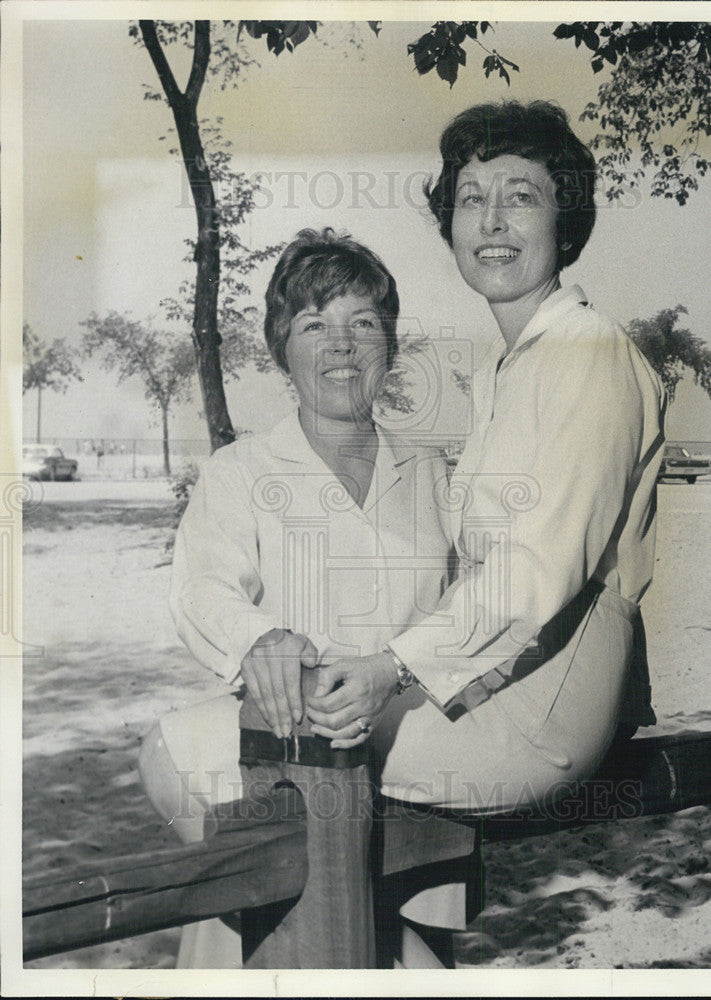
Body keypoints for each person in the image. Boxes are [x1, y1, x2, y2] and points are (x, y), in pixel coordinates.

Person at [305, 99, 666, 813]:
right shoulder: (507, 368)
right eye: (471, 199)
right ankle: (389, 925)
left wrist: (391, 666)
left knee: (223, 752)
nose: (492, 222)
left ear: (566, 224)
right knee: (276, 738)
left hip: (544, 698)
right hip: (492, 667)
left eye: (520, 197)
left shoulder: (588, 355)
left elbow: (539, 570)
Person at [139, 228, 468, 968]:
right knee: (262, 915)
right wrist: (261, 640)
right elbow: (200, 586)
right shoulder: (242, 469)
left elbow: (471, 607)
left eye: (362, 324)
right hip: (283, 753)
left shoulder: (435, 473)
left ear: (390, 343)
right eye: (314, 325)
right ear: (281, 350)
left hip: (416, 752)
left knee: (407, 940)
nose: (341, 345)